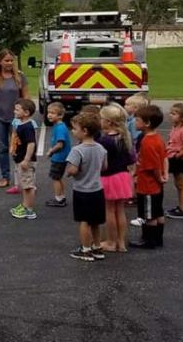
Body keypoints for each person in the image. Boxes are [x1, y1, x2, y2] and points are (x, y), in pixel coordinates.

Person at [66, 112, 108, 261]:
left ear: (84, 131)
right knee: (96, 221)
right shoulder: (101, 148)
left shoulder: (77, 150)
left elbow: (73, 170)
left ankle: (85, 249)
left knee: (84, 221)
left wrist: (69, 172)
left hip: (82, 190)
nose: (73, 131)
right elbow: (104, 167)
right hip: (97, 189)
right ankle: (97, 247)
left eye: (75, 129)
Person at [0, 49, 28, 190]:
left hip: (16, 118)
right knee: (2, 148)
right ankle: (5, 177)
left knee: (18, 147)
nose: (9, 63)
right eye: (6, 60)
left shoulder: (20, 77)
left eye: (11, 60)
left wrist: (26, 117)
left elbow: (26, 98)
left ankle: (22, 177)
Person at [129, 105, 168, 249]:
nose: (134, 122)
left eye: (137, 120)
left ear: (147, 123)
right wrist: (164, 177)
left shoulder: (147, 142)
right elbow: (164, 158)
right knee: (158, 212)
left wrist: (159, 178)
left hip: (148, 185)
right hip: (156, 185)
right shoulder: (158, 138)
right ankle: (158, 239)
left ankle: (149, 240)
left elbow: (153, 167)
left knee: (149, 215)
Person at [98, 103, 135, 253]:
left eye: (102, 118)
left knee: (109, 210)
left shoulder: (104, 141)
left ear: (108, 122)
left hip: (109, 177)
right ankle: (121, 242)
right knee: (120, 210)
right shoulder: (125, 137)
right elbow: (131, 159)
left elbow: (102, 163)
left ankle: (111, 241)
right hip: (123, 176)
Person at [9, 99, 39, 220]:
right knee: (24, 185)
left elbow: (31, 143)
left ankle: (29, 210)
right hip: (20, 160)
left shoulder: (27, 127)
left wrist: (26, 160)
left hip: (25, 161)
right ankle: (25, 205)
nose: (14, 111)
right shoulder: (20, 124)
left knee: (28, 186)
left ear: (26, 112)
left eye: (17, 109)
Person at [44, 102, 71, 208]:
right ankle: (62, 197)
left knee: (55, 178)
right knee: (58, 178)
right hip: (61, 157)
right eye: (48, 112)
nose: (49, 115)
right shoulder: (60, 126)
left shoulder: (60, 128)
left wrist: (51, 151)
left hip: (59, 157)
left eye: (53, 113)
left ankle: (58, 198)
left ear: (60, 115)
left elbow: (60, 144)